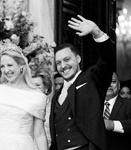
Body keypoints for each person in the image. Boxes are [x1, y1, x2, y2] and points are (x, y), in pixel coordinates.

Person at [49, 15, 115, 150]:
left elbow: (107, 60)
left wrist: (96, 32)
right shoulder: (57, 95)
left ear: (78, 58)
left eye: (67, 59)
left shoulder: (92, 79)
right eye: (58, 63)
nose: (63, 65)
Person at [104, 72, 131, 150]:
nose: (109, 84)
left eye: (113, 82)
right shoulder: (93, 105)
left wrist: (113, 125)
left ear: (119, 86)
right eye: (106, 81)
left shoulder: (128, 104)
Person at [32, 67, 52, 146]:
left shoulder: (52, 108)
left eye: (37, 85)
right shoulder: (25, 107)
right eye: (31, 85)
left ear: (46, 88)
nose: (33, 89)